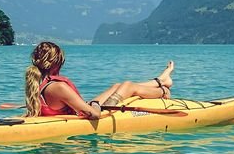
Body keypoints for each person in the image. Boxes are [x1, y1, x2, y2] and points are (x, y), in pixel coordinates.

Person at [24, 41, 174, 119]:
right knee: (128, 86)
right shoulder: (57, 87)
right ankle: (163, 90)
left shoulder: (37, 82)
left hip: (83, 109)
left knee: (118, 85)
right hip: (89, 112)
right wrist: (95, 105)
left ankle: (160, 80)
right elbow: (94, 115)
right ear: (57, 64)